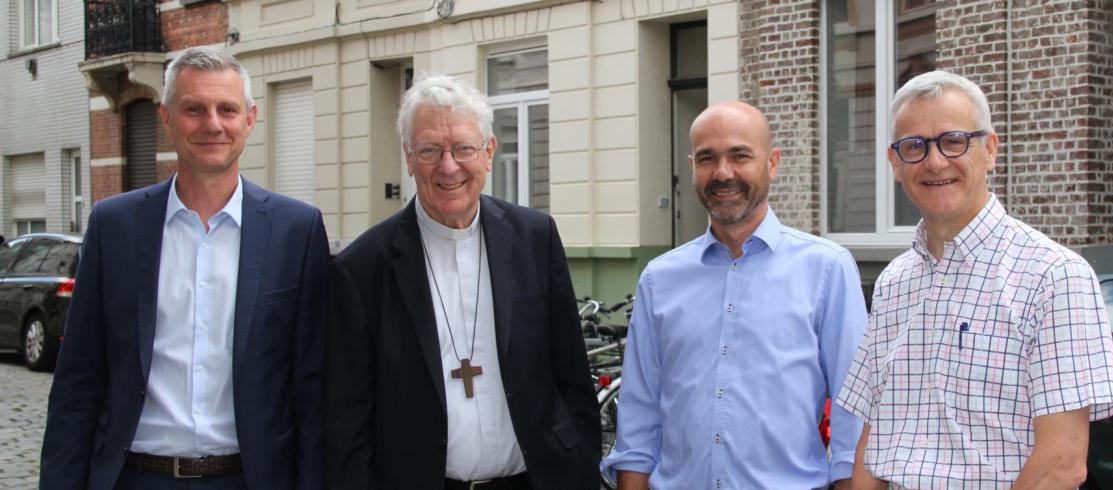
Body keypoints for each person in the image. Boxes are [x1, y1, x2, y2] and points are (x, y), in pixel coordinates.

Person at [40, 46, 328, 490]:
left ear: (249, 120)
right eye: (194, 109)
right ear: (167, 118)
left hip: (250, 479)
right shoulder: (113, 226)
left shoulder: (297, 231)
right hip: (135, 477)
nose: (213, 124)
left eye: (227, 109)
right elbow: (77, 381)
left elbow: (311, 387)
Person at [837, 70, 1113, 489]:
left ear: (990, 149)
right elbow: (873, 437)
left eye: (953, 141)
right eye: (914, 147)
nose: (935, 161)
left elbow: (1061, 465)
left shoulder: (1054, 277)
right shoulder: (893, 283)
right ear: (895, 163)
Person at [324, 74, 598, 490]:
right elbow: (347, 418)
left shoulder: (535, 237)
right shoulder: (362, 267)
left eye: (463, 148)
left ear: (488, 152)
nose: (448, 166)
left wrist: (579, 467)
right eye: (430, 150)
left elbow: (572, 376)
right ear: (409, 157)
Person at [601, 101, 869, 489]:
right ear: (693, 167)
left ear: (772, 163)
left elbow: (853, 416)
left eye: (740, 155)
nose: (723, 173)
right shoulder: (660, 279)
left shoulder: (826, 269)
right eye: (708, 158)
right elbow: (639, 420)